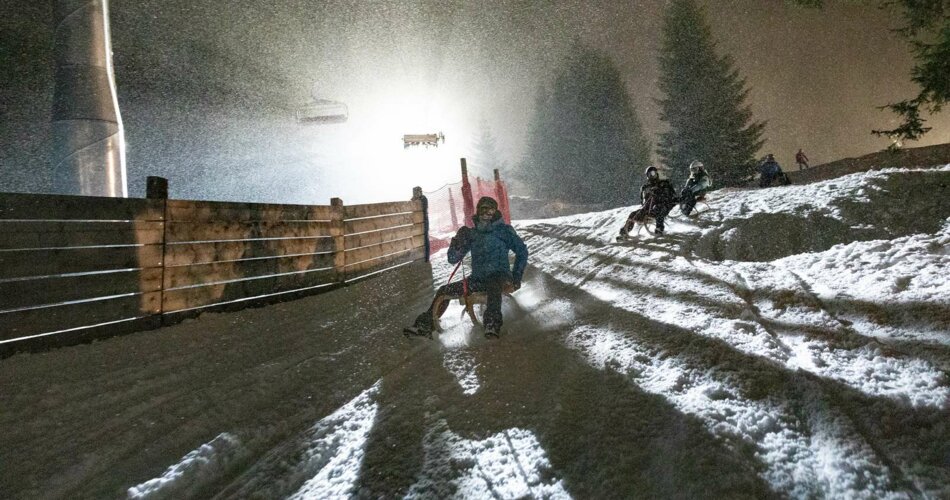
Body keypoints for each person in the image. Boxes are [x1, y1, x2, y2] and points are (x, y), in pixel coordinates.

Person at [405, 196, 528, 338]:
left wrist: (516, 277)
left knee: (493, 284)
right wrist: (457, 243)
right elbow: (453, 259)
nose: (487, 214)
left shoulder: (504, 231)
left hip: (501, 277)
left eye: (490, 210)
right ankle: (425, 326)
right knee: (444, 290)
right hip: (478, 279)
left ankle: (492, 324)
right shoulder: (472, 234)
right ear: (479, 211)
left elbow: (522, 252)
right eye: (484, 210)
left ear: (495, 212)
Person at [618, 166, 678, 239]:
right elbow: (643, 201)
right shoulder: (645, 187)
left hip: (662, 205)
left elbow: (670, 195)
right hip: (648, 208)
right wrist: (647, 196)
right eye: (650, 174)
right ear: (647, 176)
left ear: (656, 173)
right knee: (633, 214)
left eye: (654, 173)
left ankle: (659, 228)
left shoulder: (663, 184)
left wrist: (660, 193)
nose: (652, 175)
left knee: (658, 208)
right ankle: (625, 231)